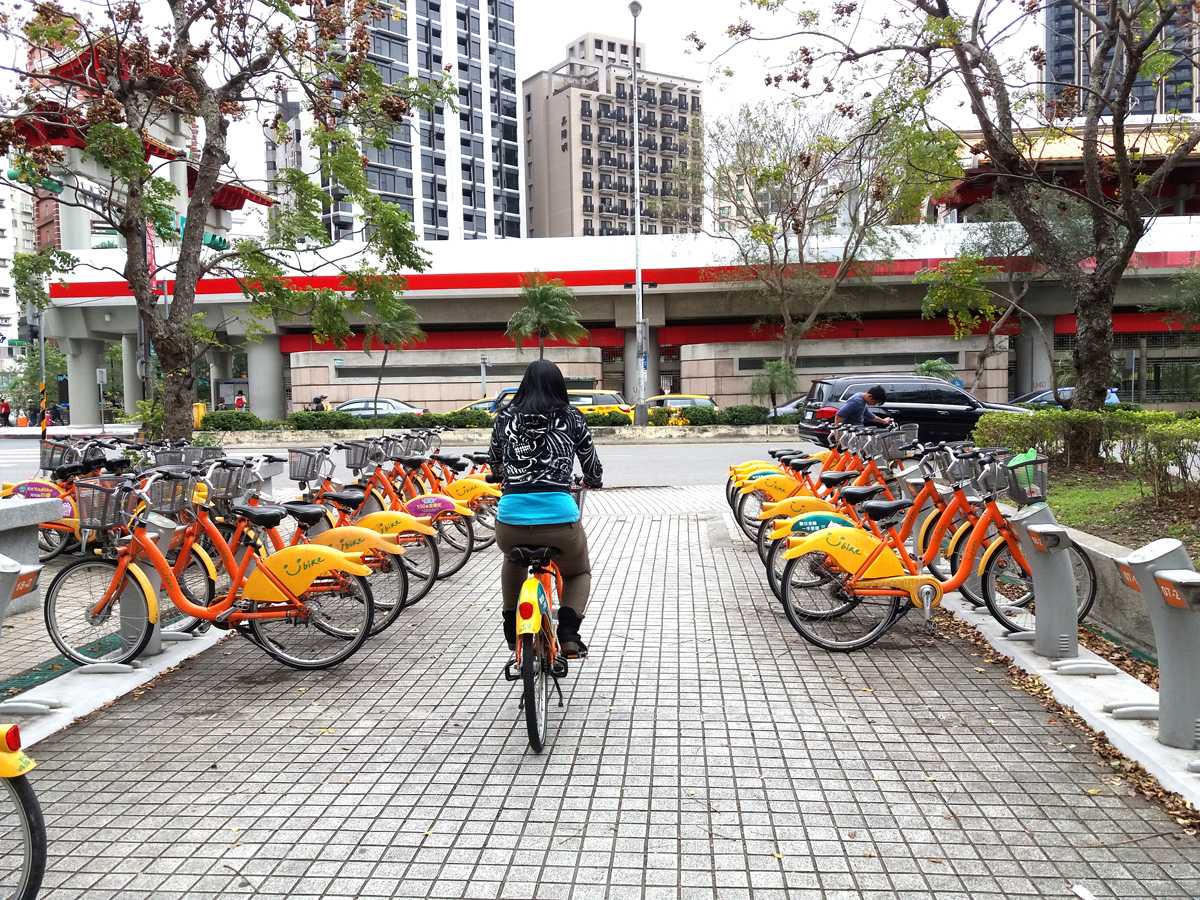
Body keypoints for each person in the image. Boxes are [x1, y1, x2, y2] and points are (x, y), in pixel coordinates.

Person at [489, 360, 603, 659]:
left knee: (513, 559)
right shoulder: (572, 417)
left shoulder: (504, 418)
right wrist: (593, 480)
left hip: (510, 519)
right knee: (578, 572)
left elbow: (495, 463)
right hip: (559, 519)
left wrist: (505, 474)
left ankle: (511, 622)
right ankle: (568, 634)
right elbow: (590, 461)